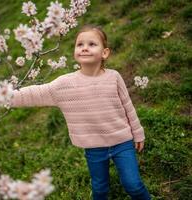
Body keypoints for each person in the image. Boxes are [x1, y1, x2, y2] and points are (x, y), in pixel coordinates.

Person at [9, 24, 151, 200]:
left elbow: (128, 106)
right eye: (79, 44)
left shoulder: (114, 77)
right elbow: (35, 93)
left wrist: (138, 133)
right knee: (99, 189)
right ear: (75, 52)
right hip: (94, 148)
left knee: (133, 185)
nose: (84, 47)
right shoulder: (64, 84)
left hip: (122, 142)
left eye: (92, 44)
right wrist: (1, 97)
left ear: (104, 53)